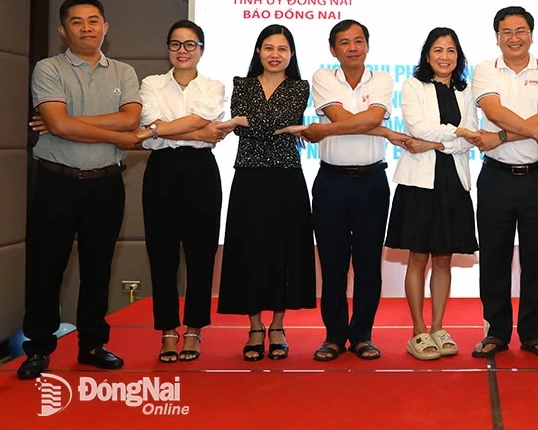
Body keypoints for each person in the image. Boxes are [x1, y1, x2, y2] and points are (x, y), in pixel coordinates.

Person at [18, 0, 142, 380]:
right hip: (56, 182)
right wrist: (110, 131)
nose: (87, 27)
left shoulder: (123, 72)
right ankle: (38, 348)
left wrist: (71, 120)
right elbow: (59, 126)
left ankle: (92, 344)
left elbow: (132, 118)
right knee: (46, 269)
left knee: (98, 269)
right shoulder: (47, 68)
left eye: (94, 20)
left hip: (105, 186)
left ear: (106, 27)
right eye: (77, 21)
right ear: (63, 29)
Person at [299, 19, 408, 362]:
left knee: (367, 265)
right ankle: (333, 337)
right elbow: (347, 115)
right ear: (333, 50)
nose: (352, 48)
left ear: (368, 46)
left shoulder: (383, 79)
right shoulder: (322, 77)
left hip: (372, 183)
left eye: (358, 41)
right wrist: (376, 128)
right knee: (332, 265)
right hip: (331, 183)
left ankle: (362, 335)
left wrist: (324, 130)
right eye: (344, 43)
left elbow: (366, 120)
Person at [216, 24, 315, 361]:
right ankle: (255, 326)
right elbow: (258, 121)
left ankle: (278, 326)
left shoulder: (299, 87)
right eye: (268, 47)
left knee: (283, 251)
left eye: (282, 49)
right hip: (249, 179)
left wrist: (244, 121)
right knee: (250, 251)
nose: (275, 55)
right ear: (258, 51)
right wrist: (240, 120)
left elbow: (277, 120)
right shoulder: (241, 84)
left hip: (287, 179)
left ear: (291, 54)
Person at [470, 5, 538, 359]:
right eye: (506, 32)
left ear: (531, 35)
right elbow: (493, 111)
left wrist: (501, 137)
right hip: (496, 178)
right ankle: (496, 330)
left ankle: (533, 331)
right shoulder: (484, 70)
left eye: (520, 31)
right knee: (494, 257)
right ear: (497, 37)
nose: (514, 38)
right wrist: (525, 134)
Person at [385, 27, 480, 360]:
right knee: (418, 257)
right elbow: (418, 128)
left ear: (459, 56)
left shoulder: (467, 92)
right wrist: (454, 136)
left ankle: (438, 326)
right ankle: (418, 330)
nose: (444, 56)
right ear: (427, 55)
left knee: (444, 259)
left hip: (453, 183)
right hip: (419, 184)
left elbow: (473, 138)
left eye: (451, 50)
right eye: (438, 50)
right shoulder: (413, 86)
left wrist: (439, 142)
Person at [139, 20, 230, 363]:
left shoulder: (214, 85)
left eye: (190, 45)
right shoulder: (151, 83)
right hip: (161, 173)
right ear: (167, 49)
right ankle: (166, 331)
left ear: (201, 50)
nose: (182, 51)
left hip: (200, 173)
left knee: (201, 255)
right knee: (161, 255)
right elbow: (153, 126)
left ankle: (194, 329)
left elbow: (193, 120)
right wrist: (197, 131)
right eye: (176, 44)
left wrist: (162, 130)